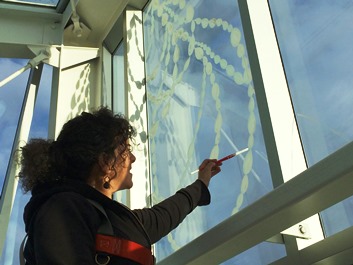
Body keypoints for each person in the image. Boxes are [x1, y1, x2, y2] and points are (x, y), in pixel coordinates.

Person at [18, 106, 221, 265]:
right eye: (125, 150)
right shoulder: (62, 209)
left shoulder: (116, 220)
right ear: (105, 161)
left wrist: (202, 182)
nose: (132, 158)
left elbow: (164, 215)